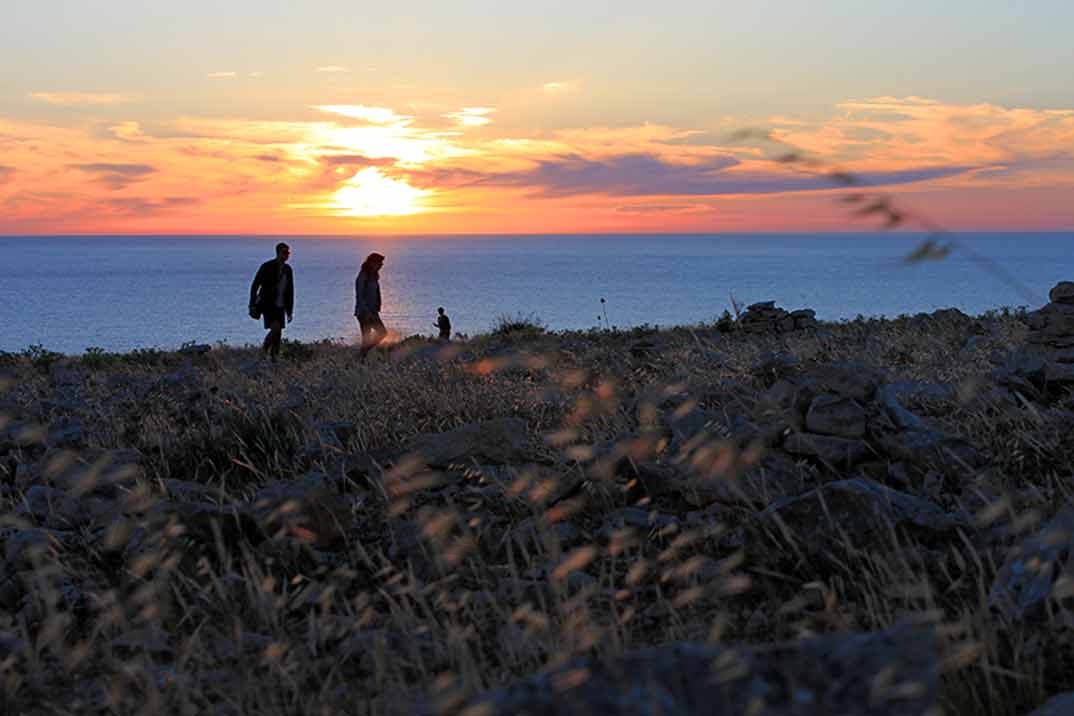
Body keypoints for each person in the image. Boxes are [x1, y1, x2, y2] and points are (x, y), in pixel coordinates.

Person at [249, 242, 294, 361]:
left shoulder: (288, 270)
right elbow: (255, 285)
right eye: (284, 252)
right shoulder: (267, 266)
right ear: (278, 253)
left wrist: (289, 311)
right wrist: (252, 305)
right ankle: (263, 352)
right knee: (275, 329)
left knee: (278, 335)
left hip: (281, 306)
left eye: (288, 253)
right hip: (268, 305)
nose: (287, 255)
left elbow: (290, 291)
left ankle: (274, 358)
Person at [355, 252, 387, 362]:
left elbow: (376, 293)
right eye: (380, 263)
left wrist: (377, 306)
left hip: (372, 311)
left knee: (379, 334)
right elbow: (360, 295)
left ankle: (361, 357)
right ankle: (360, 358)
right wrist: (366, 311)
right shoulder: (363, 275)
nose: (381, 265)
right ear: (372, 263)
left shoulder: (374, 276)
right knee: (372, 336)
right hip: (364, 312)